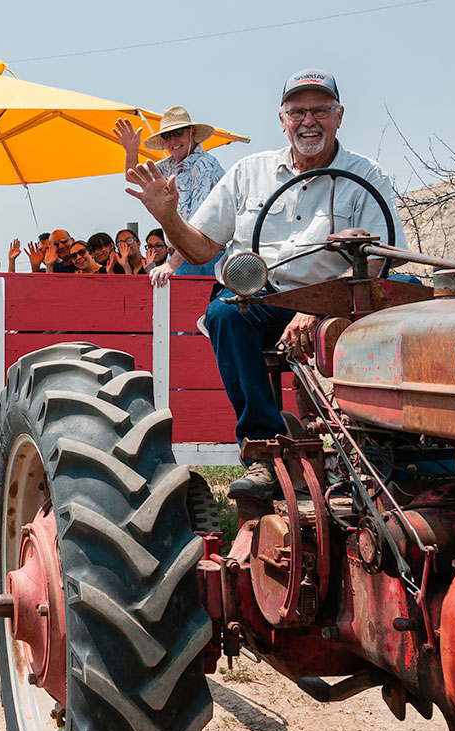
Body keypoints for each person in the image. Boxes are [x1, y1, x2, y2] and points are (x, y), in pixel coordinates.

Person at [124, 69, 406, 499]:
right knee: (223, 313)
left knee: (408, 297)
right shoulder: (248, 173)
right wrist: (168, 217)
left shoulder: (366, 176)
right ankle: (264, 451)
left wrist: (318, 309)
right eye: (297, 112)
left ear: (339, 116)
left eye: (320, 110)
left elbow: (384, 262)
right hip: (265, 301)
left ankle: (385, 449)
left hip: (343, 304)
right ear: (282, 119)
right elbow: (200, 250)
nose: (308, 121)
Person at [114, 107, 225, 285]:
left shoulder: (205, 165)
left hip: (204, 256)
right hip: (185, 255)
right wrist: (131, 150)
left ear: (192, 132)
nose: (172, 140)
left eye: (178, 133)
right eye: (166, 136)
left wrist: (171, 264)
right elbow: (132, 175)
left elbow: (198, 224)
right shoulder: (169, 165)